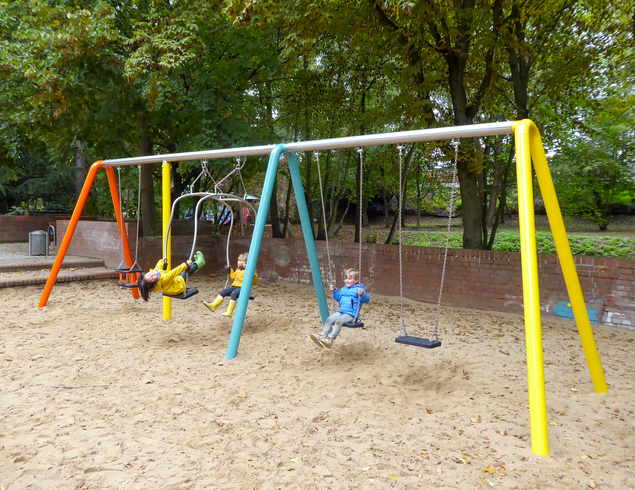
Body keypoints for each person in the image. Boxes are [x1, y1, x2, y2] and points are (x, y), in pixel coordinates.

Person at [310, 268, 370, 349]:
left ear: (356, 280)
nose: (347, 280)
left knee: (339, 321)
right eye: (346, 278)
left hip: (351, 315)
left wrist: (362, 294)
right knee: (329, 319)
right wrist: (334, 291)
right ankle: (323, 335)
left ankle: (330, 338)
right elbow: (338, 298)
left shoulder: (359, 290)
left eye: (350, 278)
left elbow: (367, 300)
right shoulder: (343, 289)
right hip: (341, 312)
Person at [203, 252, 258, 317]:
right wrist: (230, 271)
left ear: (245, 263)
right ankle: (213, 305)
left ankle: (229, 312)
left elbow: (254, 282)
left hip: (243, 289)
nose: (238, 262)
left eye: (240, 261)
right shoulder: (238, 270)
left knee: (234, 293)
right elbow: (234, 277)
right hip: (235, 287)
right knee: (224, 291)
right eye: (238, 260)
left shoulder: (249, 271)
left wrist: (254, 276)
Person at [137, 251, 205, 302]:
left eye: (149, 274)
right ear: (154, 282)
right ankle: (200, 262)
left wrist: (161, 261)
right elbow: (174, 272)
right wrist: (186, 265)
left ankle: (197, 265)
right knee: (185, 270)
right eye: (151, 278)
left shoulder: (155, 272)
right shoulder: (164, 279)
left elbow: (158, 267)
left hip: (174, 282)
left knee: (186, 271)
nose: (152, 275)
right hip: (178, 286)